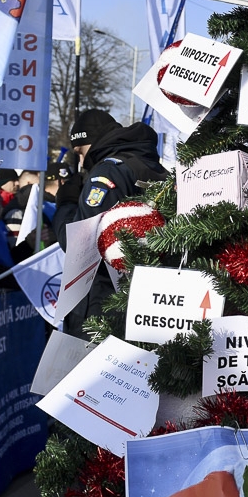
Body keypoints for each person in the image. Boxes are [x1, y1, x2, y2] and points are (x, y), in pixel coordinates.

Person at [53, 109, 168, 336]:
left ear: (92, 143)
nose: (81, 161)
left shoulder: (108, 171)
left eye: (81, 152)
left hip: (103, 304)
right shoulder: (149, 165)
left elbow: (80, 244)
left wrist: (66, 205)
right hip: (143, 301)